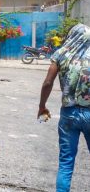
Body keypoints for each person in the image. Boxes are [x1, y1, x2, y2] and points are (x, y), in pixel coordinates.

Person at [37, 23, 90, 192]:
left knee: (66, 162)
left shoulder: (60, 54)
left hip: (69, 113)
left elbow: (47, 82)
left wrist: (42, 106)